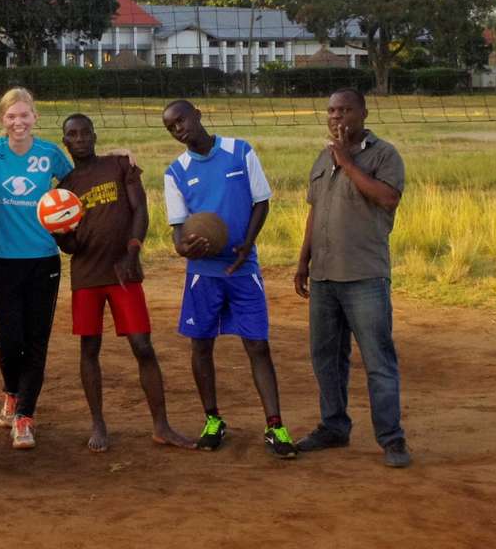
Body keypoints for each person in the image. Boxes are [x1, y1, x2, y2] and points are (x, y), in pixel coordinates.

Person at [161, 99, 296, 459]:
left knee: (257, 345)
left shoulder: (240, 151)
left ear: (198, 115)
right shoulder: (175, 171)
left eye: (182, 120)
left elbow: (261, 202)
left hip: (242, 267)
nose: (179, 129)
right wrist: (188, 248)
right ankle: (213, 420)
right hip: (203, 274)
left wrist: (246, 244)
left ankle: (275, 425)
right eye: (171, 127)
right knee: (201, 345)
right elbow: (178, 237)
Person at [54, 113, 192, 453]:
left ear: (95, 135)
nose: (81, 138)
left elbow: (140, 210)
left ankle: (161, 424)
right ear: (66, 143)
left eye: (86, 132)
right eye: (73, 134)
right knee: (89, 348)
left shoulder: (118, 165)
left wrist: (133, 252)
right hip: (86, 277)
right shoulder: (65, 188)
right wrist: (60, 234)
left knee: (142, 345)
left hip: (123, 272)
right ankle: (98, 422)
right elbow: (71, 246)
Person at [294, 88, 411, 468]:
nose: (337, 117)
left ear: (363, 112)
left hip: (364, 276)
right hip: (325, 276)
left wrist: (346, 162)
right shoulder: (321, 158)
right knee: (326, 357)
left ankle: (392, 440)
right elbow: (315, 213)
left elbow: (387, 198)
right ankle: (333, 426)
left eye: (345, 110)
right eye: (331, 110)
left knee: (378, 359)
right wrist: (302, 261)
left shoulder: (383, 154)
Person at [0, 87, 72, 449]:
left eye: (24, 115)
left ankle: (24, 416)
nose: (19, 122)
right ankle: (11, 392)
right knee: (9, 340)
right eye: (11, 116)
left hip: (43, 259)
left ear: (35, 118)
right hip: (2, 259)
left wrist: (119, 159)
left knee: (35, 340)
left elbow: (79, 179)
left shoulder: (49, 154)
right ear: (2, 119)